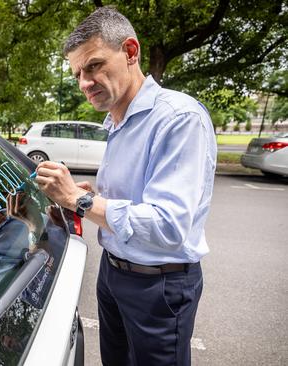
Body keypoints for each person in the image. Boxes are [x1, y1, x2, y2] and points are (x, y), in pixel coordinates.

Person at [35, 7, 216, 366]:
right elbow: (135, 201)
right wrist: (88, 199)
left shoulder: (179, 118)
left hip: (159, 287)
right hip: (112, 272)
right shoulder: (117, 119)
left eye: (93, 66)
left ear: (131, 52)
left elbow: (167, 226)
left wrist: (80, 199)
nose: (84, 82)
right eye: (77, 74)